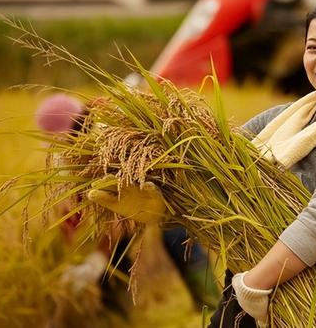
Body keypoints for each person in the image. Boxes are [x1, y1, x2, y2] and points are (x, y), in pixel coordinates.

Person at [87, 0, 316, 326]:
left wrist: (255, 285)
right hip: (252, 286)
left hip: (305, 298)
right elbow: (215, 174)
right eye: (313, 48)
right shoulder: (286, 118)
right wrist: (161, 200)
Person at [35, 93, 220, 315]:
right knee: (115, 257)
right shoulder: (68, 154)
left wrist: (96, 260)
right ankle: (115, 315)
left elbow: (122, 215)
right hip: (128, 201)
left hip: (164, 188)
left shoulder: (107, 139)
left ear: (77, 125)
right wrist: (70, 253)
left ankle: (212, 307)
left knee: (177, 237)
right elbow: (73, 206)